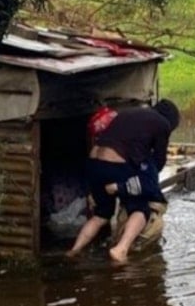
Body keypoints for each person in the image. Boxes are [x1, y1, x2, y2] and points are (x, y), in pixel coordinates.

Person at [67, 99, 180, 262]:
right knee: (140, 209)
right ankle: (121, 249)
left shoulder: (130, 112)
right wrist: (146, 182)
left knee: (101, 215)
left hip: (94, 163)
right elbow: (159, 160)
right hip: (116, 165)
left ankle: (74, 250)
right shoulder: (163, 124)